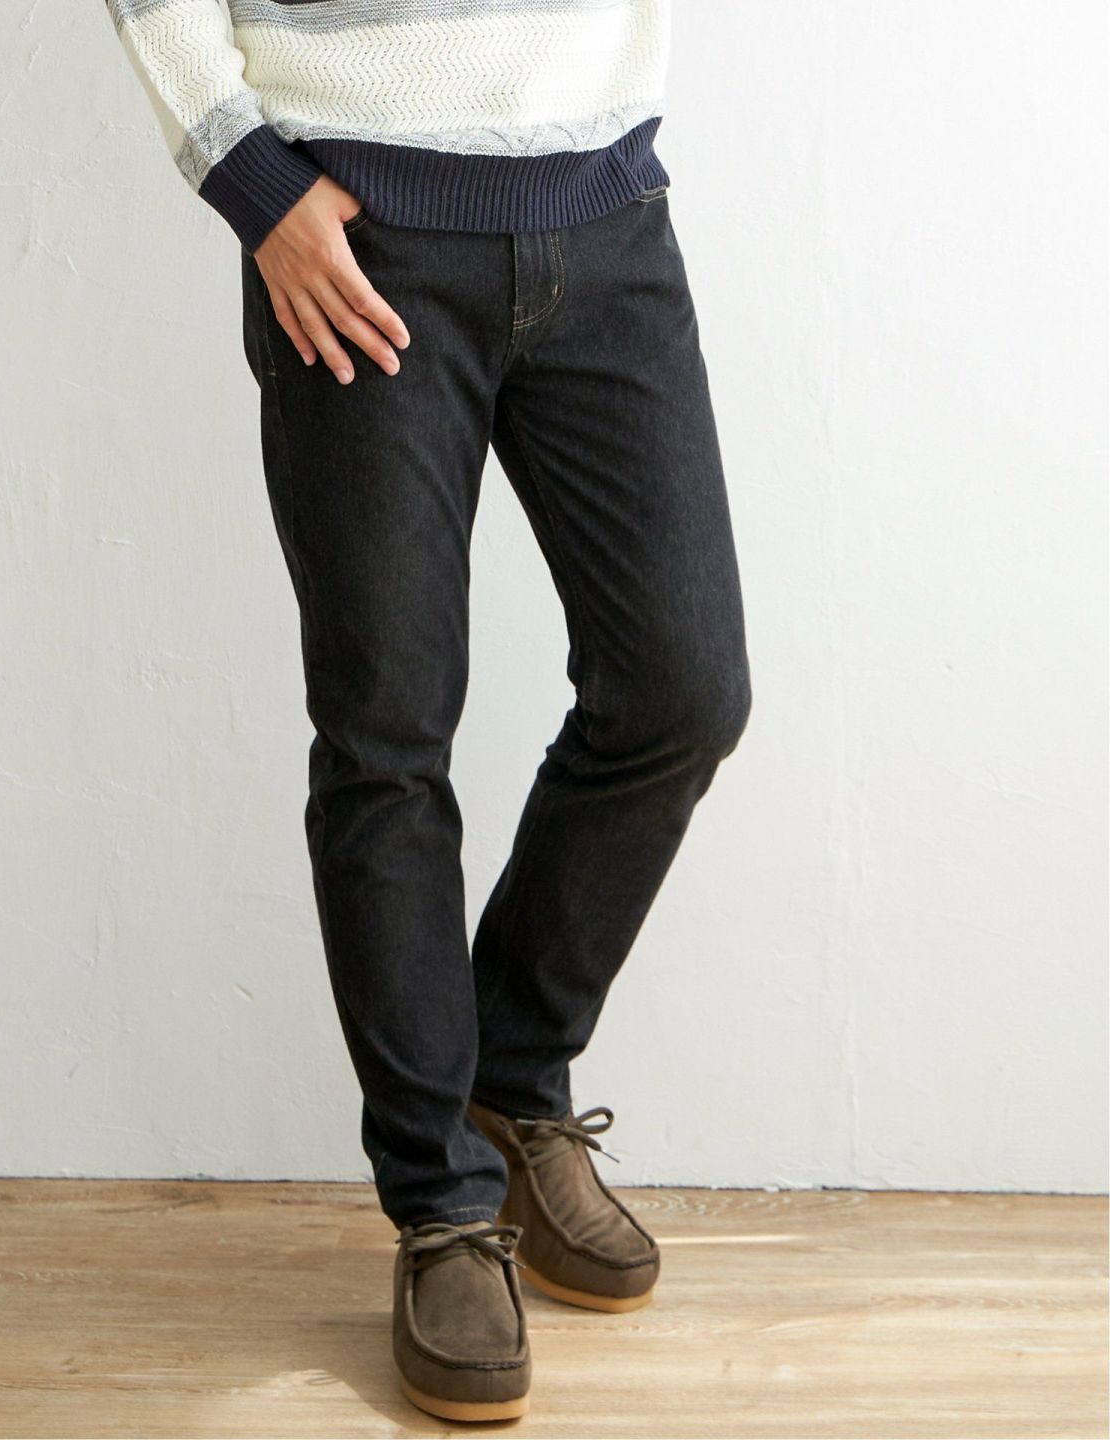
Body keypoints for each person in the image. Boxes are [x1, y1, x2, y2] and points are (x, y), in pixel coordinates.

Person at [103, 0, 752, 1422]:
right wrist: (254, 184)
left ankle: (510, 1078)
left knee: (682, 692)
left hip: (605, 210)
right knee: (388, 740)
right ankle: (444, 1208)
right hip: (356, 230)